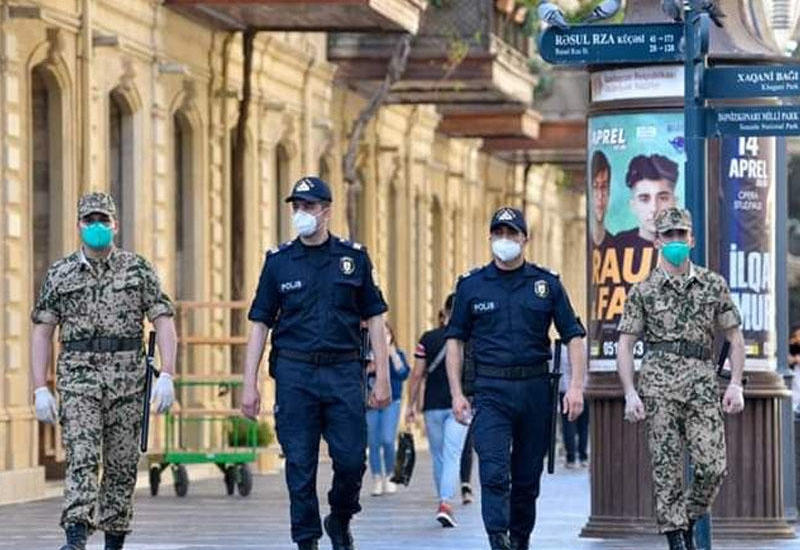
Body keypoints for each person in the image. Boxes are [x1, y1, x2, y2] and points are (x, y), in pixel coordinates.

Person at [241, 176, 390, 550]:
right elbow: (260, 323)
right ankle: (306, 540)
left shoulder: (353, 259)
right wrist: (249, 383)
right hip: (295, 372)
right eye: (296, 207)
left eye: (308, 207)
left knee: (352, 459)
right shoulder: (278, 263)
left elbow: (375, 318)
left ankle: (340, 517)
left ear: (326, 210)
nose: (301, 214)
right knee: (300, 465)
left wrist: (383, 378)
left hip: (343, 371)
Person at [31, 192, 177, 550]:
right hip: (79, 377)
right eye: (89, 220)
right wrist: (39, 387)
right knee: (82, 455)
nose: (97, 227)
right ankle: (76, 536)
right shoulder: (61, 273)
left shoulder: (137, 269)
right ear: (79, 225)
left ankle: (114, 540)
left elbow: (163, 318)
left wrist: (168, 374)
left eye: (103, 220)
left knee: (122, 465)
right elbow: (43, 330)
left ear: (115, 224)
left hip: (127, 380)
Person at [444, 206, 587, 550]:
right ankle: (497, 537)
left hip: (535, 390)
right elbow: (455, 341)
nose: (505, 240)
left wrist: (577, 387)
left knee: (526, 479)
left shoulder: (546, 284)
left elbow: (573, 334)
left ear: (525, 239)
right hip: (491, 390)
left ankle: (519, 539)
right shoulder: (472, 285)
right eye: (499, 234)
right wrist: (457, 394)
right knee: (493, 470)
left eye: (512, 234)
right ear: (491, 237)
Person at [617, 207, 746, 550]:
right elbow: (626, 345)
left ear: (691, 239)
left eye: (681, 235)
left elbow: (734, 338)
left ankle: (686, 518)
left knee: (713, 466)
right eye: (668, 235)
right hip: (659, 388)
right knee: (666, 469)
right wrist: (630, 393)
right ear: (658, 240)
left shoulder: (712, 284)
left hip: (703, 386)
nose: (676, 241)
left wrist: (735, 383)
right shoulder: (643, 291)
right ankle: (676, 539)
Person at [406, 294, 469, 527]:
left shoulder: (428, 339)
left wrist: (410, 405)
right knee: (453, 453)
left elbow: (416, 374)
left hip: (432, 405)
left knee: (439, 455)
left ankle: (444, 500)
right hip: (460, 405)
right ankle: (445, 501)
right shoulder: (469, 339)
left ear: (445, 311)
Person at [366, 322, 409, 496]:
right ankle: (377, 477)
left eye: (387, 333)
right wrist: (370, 368)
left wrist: (392, 355)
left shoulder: (397, 354)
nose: (384, 337)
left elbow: (403, 373)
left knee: (388, 439)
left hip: (392, 401)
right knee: (373, 442)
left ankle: (390, 475)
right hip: (371, 402)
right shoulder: (368, 355)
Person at [613, 154, 679, 247]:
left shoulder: (687, 243)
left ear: (674, 202)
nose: (654, 208)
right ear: (632, 205)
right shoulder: (618, 244)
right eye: (644, 199)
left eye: (663, 198)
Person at [558, 341, 589, 469]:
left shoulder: (560, 349)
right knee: (583, 425)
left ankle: (570, 458)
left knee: (568, 425)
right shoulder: (585, 347)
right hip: (584, 389)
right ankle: (583, 456)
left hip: (565, 389)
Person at [590, 150, 612, 248]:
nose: (600, 196)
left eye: (603, 187)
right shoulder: (585, 240)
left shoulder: (616, 246)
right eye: (595, 187)